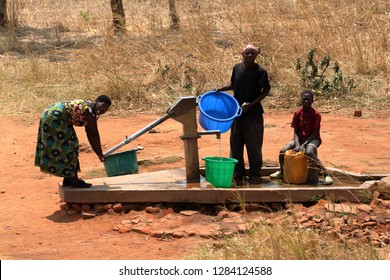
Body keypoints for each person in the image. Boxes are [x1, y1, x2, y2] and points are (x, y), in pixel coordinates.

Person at [216, 44, 271, 182]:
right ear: (242, 54)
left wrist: (252, 104)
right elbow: (233, 84)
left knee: (254, 146)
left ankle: (255, 174)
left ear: (256, 55)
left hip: (253, 115)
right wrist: (221, 89)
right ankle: (238, 173)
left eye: (253, 53)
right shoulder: (237, 68)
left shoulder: (260, 72)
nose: (250, 55)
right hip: (237, 114)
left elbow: (265, 90)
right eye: (248, 53)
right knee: (236, 145)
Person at [35, 95, 112, 188]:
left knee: (68, 144)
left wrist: (99, 153)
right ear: (96, 101)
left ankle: (68, 178)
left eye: (106, 108)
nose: (104, 109)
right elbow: (93, 134)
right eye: (103, 105)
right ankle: (74, 180)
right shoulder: (89, 110)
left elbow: (89, 132)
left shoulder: (90, 109)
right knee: (70, 146)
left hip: (50, 113)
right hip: (56, 116)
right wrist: (100, 154)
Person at [270, 90, 333, 185]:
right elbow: (295, 132)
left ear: (312, 101)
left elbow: (315, 133)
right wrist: (297, 144)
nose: (306, 102)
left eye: (308, 100)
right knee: (283, 151)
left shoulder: (316, 115)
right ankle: (282, 172)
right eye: (304, 99)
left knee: (309, 152)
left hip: (313, 139)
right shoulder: (297, 113)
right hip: (299, 138)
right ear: (301, 100)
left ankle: (326, 173)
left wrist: (304, 144)